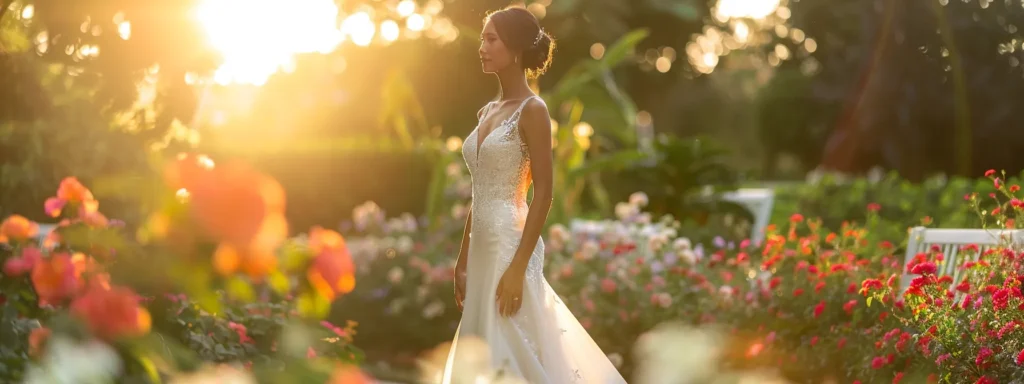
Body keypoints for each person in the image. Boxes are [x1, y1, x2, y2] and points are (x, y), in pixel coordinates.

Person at [441, 6, 626, 384]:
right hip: (482, 249)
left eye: (491, 39)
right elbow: (481, 192)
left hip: (511, 245)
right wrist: (461, 261)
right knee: (483, 352)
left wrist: (518, 267)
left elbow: (543, 194)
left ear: (516, 48)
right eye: (482, 38)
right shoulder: (485, 112)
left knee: (515, 347)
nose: (482, 47)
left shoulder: (533, 110)